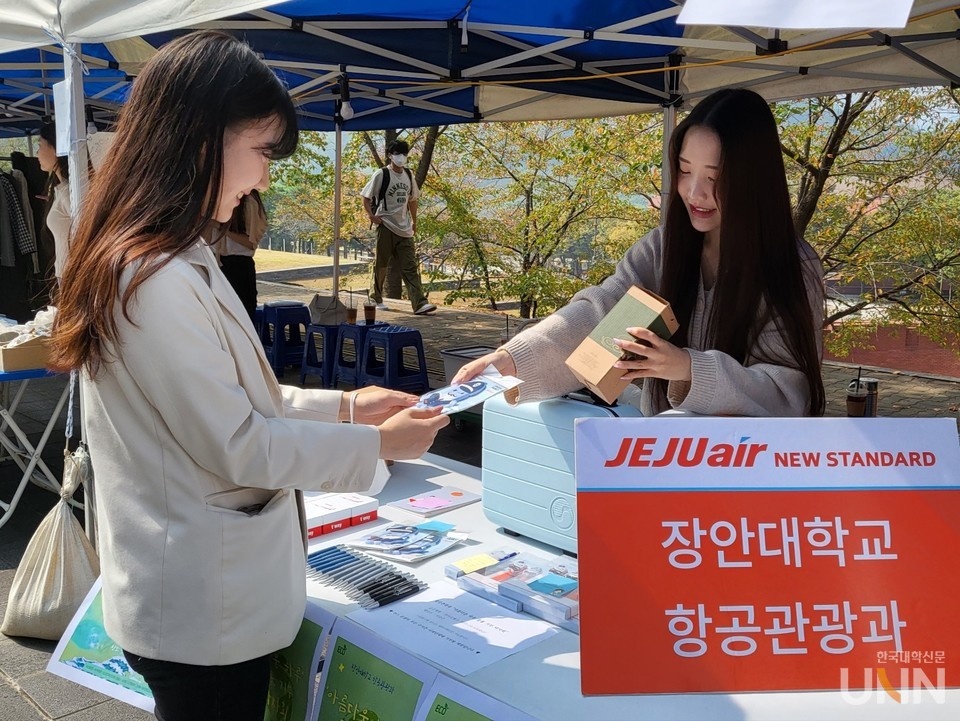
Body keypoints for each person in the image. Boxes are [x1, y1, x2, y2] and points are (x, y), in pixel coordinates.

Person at [49, 31, 448, 721]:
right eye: (262, 152)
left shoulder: (171, 256)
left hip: (203, 598)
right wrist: (378, 446)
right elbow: (240, 442)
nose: (265, 177)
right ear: (201, 137)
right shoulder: (154, 277)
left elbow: (245, 398)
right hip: (203, 613)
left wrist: (351, 410)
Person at [454, 88, 825, 417]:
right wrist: (513, 359)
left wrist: (688, 368)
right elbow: (599, 315)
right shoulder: (664, 247)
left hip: (746, 474)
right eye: (684, 170)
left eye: (714, 177)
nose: (695, 193)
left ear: (753, 181)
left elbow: (787, 395)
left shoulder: (792, 266)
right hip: (659, 462)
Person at [361, 139, 437, 315]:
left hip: (404, 228)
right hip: (386, 225)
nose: (400, 157)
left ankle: (419, 303)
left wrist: (414, 220)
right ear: (390, 155)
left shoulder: (409, 175)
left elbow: (413, 200)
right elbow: (365, 197)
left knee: (409, 266)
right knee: (381, 263)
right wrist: (372, 216)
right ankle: (375, 297)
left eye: (403, 154)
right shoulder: (381, 175)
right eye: (397, 154)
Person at [215, 188, 265, 318]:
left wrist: (224, 230)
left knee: (243, 313)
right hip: (219, 262)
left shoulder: (249, 202)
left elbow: (251, 243)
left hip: (239, 263)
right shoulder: (220, 199)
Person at [36, 121, 72, 281]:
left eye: (40, 146)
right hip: (68, 274)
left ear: (55, 148)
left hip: (74, 276)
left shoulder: (69, 193)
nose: (37, 154)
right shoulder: (62, 189)